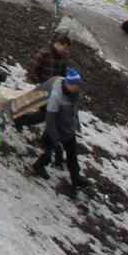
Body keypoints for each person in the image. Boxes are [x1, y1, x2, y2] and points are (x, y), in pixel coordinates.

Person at [32, 67, 84, 197]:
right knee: (48, 153)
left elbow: (74, 111)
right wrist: (56, 141)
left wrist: (75, 124)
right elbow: (50, 121)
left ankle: (76, 178)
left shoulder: (75, 93)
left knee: (72, 156)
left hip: (68, 130)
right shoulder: (56, 96)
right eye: (76, 85)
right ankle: (38, 166)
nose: (78, 87)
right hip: (55, 129)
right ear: (69, 84)